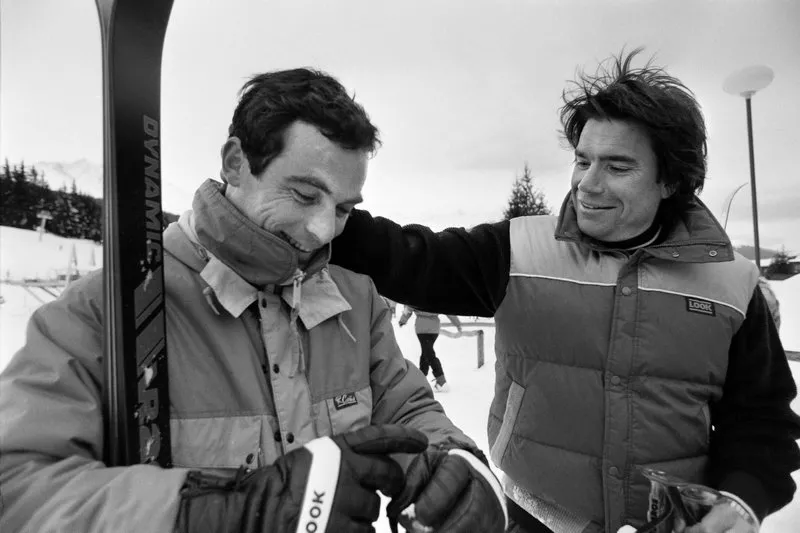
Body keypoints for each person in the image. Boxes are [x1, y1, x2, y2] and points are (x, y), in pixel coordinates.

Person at [0, 68, 507, 533]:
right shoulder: (109, 310)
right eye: (304, 195)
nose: (323, 229)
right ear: (236, 163)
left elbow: (407, 408)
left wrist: (455, 465)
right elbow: (18, 488)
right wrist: (223, 513)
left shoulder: (355, 299)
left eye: (343, 209)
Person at [330, 50, 800, 533]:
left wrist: (743, 500)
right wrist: (320, 205)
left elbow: (763, 424)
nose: (587, 185)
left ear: (671, 180)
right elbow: (405, 257)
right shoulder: (518, 251)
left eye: (618, 167)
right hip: (533, 519)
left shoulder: (732, 285)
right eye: (582, 160)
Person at [398, 305, 463, 392]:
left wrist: (403, 320)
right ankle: (421, 379)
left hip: (422, 328)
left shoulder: (417, 297)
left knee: (429, 354)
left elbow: (408, 309)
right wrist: (457, 324)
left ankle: (441, 381)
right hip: (434, 329)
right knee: (426, 353)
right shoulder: (437, 298)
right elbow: (448, 310)